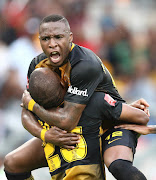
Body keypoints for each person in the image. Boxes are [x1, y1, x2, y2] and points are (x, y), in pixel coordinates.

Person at [4, 14, 149, 180]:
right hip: (73, 132)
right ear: (39, 40)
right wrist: (44, 134)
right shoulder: (38, 66)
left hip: (108, 124)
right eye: (46, 39)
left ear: (70, 37)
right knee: (13, 163)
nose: (52, 44)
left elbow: (66, 120)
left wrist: (33, 105)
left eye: (58, 37)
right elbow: (25, 113)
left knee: (118, 165)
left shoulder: (84, 64)